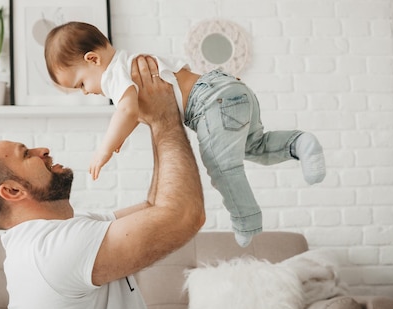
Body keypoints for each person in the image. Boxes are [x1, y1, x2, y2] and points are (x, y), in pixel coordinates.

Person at [0, 56, 205, 309]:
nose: (42, 150)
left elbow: (154, 208)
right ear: (13, 191)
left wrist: (154, 118)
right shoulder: (52, 249)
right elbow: (183, 215)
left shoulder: (62, 233)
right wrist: (164, 118)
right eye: (26, 154)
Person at [44, 21, 326, 247]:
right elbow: (135, 111)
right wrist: (123, 136)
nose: (86, 91)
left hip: (209, 103)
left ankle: (246, 220)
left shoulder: (114, 73)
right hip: (227, 91)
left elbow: (127, 110)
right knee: (254, 146)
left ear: (93, 59)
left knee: (221, 165)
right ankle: (298, 143)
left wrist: (105, 148)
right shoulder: (128, 65)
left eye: (80, 83)